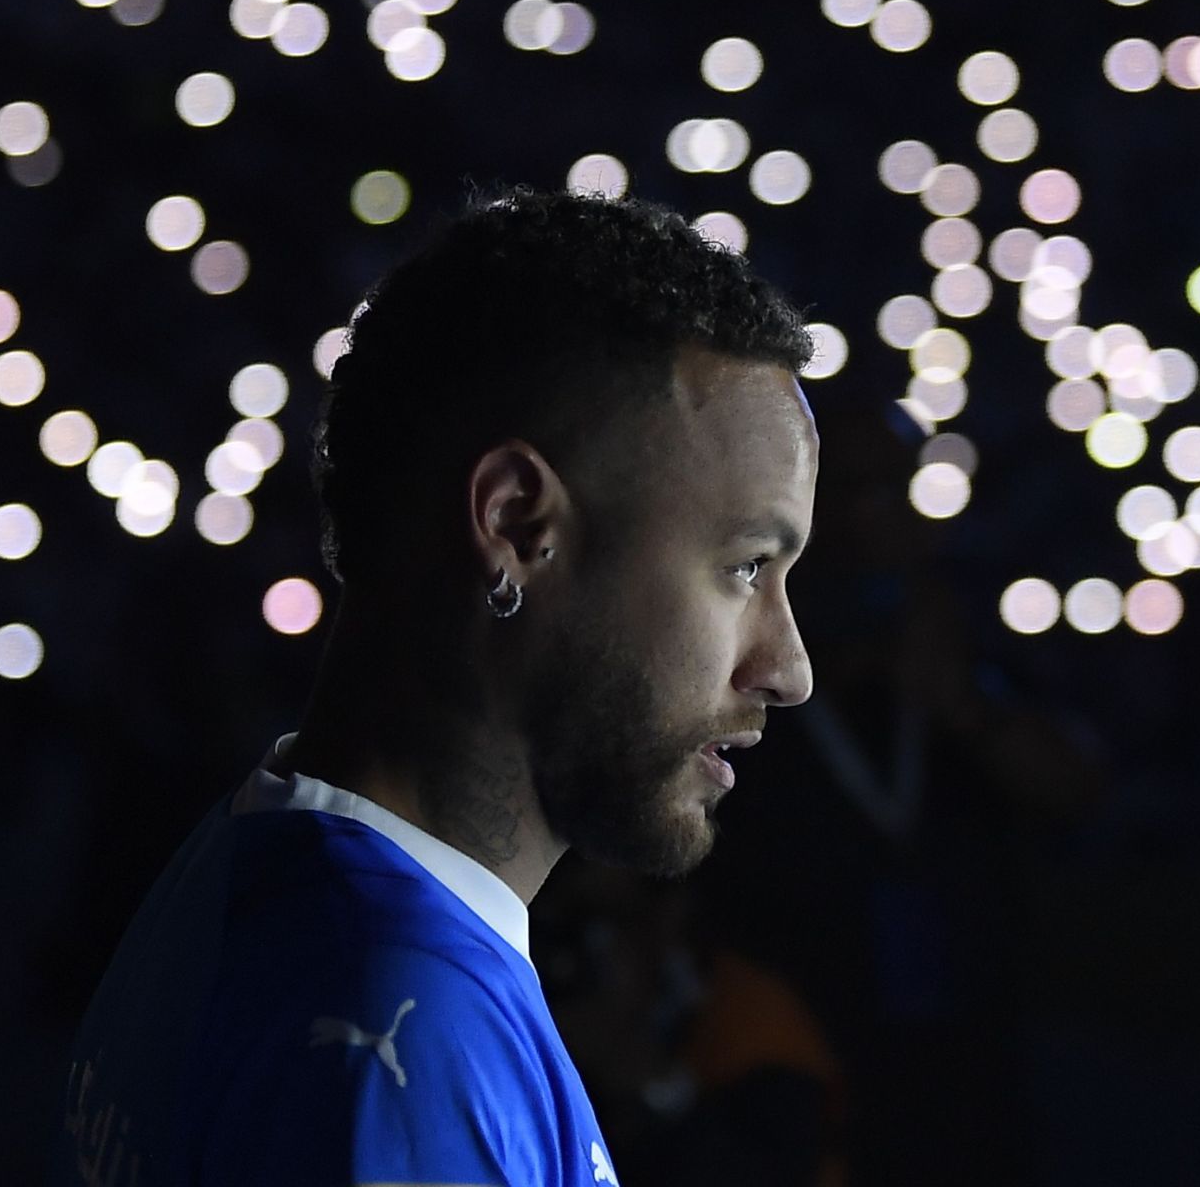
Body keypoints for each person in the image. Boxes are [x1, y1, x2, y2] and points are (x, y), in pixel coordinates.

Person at [59, 187, 820, 1186]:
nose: (790, 667)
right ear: (513, 524)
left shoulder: (264, 867)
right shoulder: (400, 1033)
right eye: (745, 567)